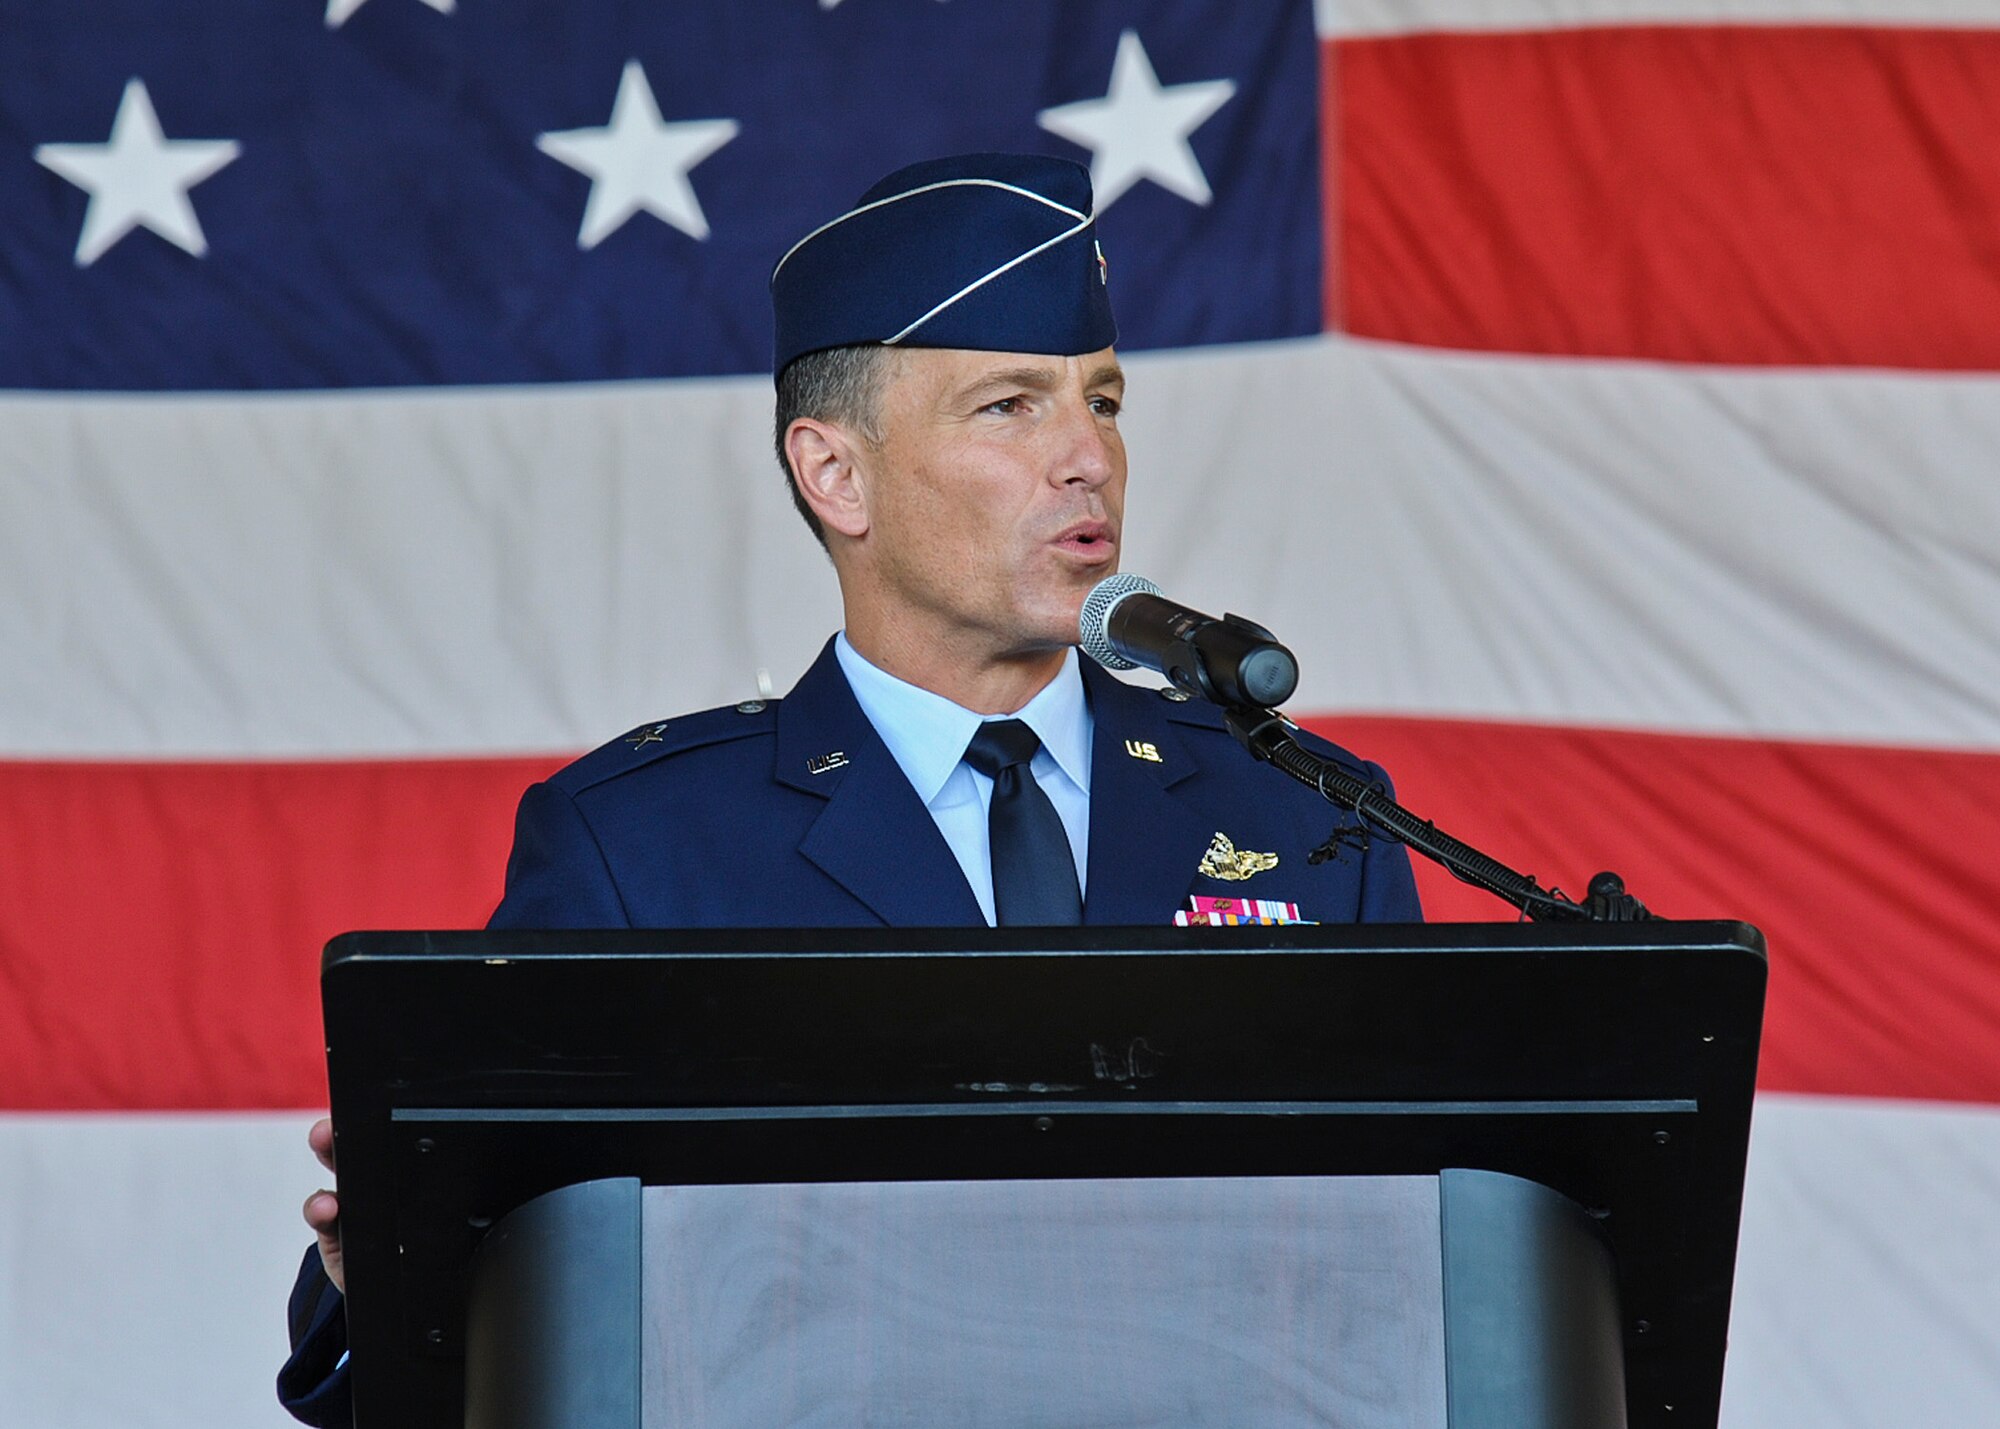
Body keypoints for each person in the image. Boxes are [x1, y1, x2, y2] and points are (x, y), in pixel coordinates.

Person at [279, 151, 1421, 1425]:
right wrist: (390, 1266)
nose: (1087, 455)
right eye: (1007, 407)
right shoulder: (642, 848)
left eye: (1101, 400)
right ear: (835, 474)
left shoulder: (1305, 820)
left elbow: (1411, 1274)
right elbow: (486, 1299)